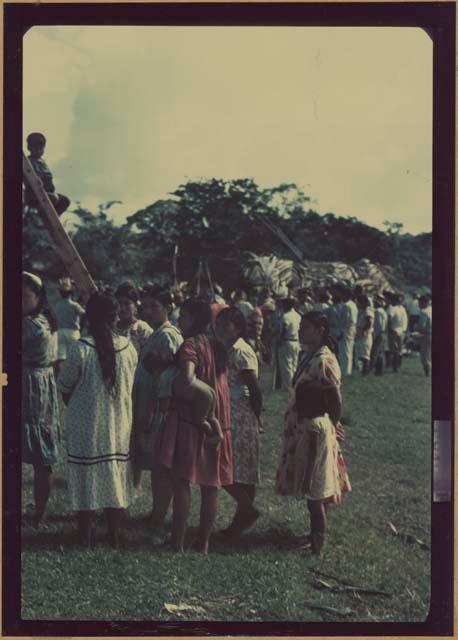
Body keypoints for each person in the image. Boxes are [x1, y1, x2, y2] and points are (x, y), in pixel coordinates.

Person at [57, 293, 137, 548]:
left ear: (89, 318)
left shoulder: (80, 349)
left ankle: (86, 533)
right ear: (114, 318)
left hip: (86, 424)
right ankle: (114, 532)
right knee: (113, 473)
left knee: (86, 475)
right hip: (118, 423)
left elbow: (65, 386)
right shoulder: (128, 347)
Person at [154, 299, 233, 554]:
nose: (179, 321)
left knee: (182, 481)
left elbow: (187, 379)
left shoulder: (190, 344)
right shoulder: (216, 344)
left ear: (193, 319)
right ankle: (203, 542)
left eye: (183, 317)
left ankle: (177, 543)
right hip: (220, 418)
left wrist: (190, 386)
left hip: (193, 418)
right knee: (211, 484)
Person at [276, 312, 350, 556]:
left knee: (317, 488)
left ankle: (318, 538)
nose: (300, 332)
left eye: (305, 328)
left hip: (315, 429)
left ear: (320, 329)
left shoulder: (325, 360)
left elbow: (334, 398)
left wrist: (333, 423)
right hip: (303, 427)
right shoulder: (309, 355)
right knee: (316, 489)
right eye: (300, 328)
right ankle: (314, 533)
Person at [131, 285, 183, 532]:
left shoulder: (168, 335)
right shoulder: (157, 332)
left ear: (168, 308)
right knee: (154, 463)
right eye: (146, 306)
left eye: (155, 306)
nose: (149, 310)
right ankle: (156, 512)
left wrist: (155, 368)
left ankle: (160, 518)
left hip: (157, 406)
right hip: (148, 403)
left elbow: (172, 374)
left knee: (162, 467)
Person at [215, 307, 263, 536]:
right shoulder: (226, 349)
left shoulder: (242, 351)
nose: (222, 328)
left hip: (240, 414)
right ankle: (245, 512)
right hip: (227, 411)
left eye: (228, 324)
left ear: (238, 327)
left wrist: (257, 416)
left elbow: (254, 389)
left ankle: (244, 513)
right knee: (232, 467)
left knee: (237, 469)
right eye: (220, 323)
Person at [22, 272, 62, 528]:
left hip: (31, 388)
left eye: (25, 296)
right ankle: (37, 511)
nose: (18, 301)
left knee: (40, 455)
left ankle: (39, 512)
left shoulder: (33, 325)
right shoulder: (40, 320)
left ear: (39, 298)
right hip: (35, 385)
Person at [24, 133, 71, 216]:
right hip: (35, 194)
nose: (39, 151)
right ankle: (43, 217)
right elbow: (26, 178)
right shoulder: (28, 162)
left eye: (41, 149)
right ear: (29, 148)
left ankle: (52, 219)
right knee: (53, 198)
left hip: (47, 192)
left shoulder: (42, 162)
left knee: (65, 200)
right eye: (36, 148)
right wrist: (36, 180)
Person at [54, 277, 85, 373]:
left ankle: (62, 376)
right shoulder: (74, 305)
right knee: (74, 357)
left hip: (60, 332)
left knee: (61, 357)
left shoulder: (57, 305)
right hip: (73, 332)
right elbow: (84, 313)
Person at [115, 282, 153, 354]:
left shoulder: (141, 329)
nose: (122, 308)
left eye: (127, 303)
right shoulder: (112, 328)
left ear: (135, 306)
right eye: (119, 303)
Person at [276, 297, 302, 390]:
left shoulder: (285, 316)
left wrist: (278, 341)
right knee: (294, 365)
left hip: (286, 341)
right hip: (296, 341)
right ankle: (295, 384)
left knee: (286, 365)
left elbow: (283, 330)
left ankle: (288, 386)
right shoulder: (298, 316)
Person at [338, 287, 358, 376]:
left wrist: (341, 332)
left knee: (345, 351)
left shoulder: (346, 305)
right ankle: (347, 370)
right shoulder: (353, 305)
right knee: (348, 350)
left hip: (346, 329)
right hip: (352, 328)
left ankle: (345, 371)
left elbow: (345, 320)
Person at [387, 293, 409, 372]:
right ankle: (398, 364)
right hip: (401, 331)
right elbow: (406, 320)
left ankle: (394, 366)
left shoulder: (392, 308)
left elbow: (389, 319)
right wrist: (404, 330)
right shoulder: (402, 308)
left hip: (394, 330)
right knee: (399, 349)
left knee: (393, 349)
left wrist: (389, 329)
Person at [355, 295, 374, 375]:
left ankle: (366, 371)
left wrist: (365, 331)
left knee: (365, 354)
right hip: (360, 332)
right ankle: (362, 370)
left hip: (365, 334)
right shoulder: (361, 311)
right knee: (360, 353)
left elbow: (369, 322)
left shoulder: (368, 311)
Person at [370, 294, 388, 375]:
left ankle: (371, 369)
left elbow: (379, 325)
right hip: (383, 333)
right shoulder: (383, 311)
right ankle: (380, 370)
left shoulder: (378, 311)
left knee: (375, 352)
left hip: (379, 333)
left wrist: (375, 334)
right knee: (381, 353)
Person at [416, 295, 432, 376]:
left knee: (425, 355)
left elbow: (421, 326)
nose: (419, 304)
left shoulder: (424, 312)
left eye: (419, 302)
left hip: (427, 334)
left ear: (424, 302)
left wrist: (416, 327)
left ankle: (427, 373)